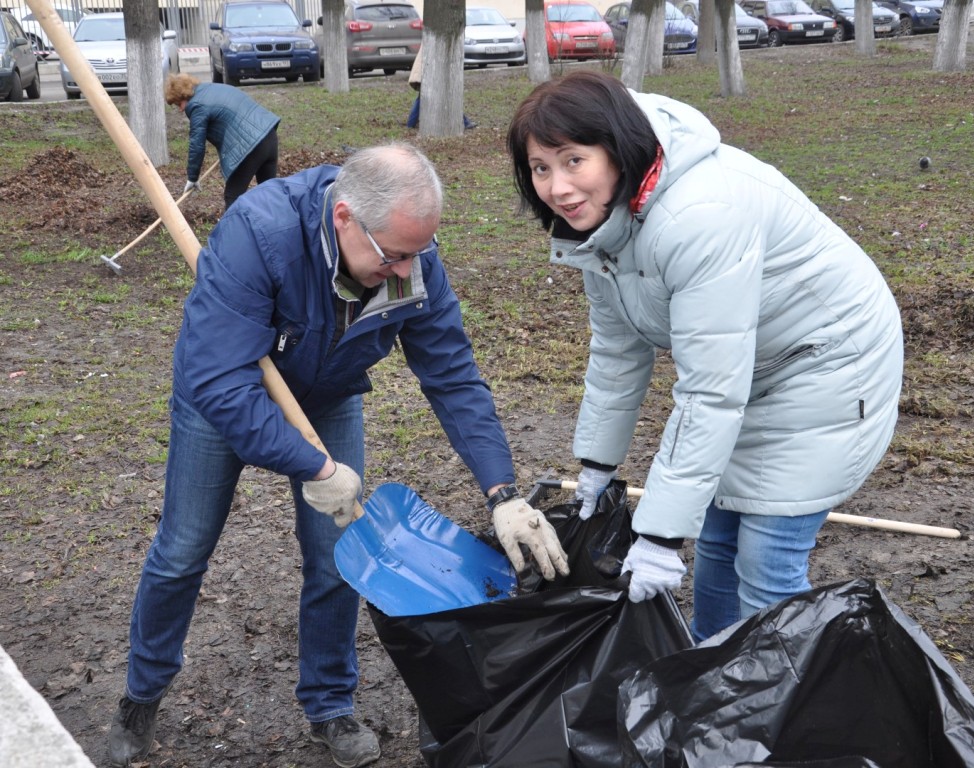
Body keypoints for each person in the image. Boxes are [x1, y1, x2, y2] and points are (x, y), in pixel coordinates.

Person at [107, 142, 569, 768]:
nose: (408, 267)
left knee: (336, 559)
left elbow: (452, 375)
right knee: (183, 550)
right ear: (345, 216)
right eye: (396, 255)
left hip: (326, 395)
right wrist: (315, 467)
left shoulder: (409, 256)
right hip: (224, 391)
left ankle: (329, 702)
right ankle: (141, 697)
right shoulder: (260, 232)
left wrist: (502, 492)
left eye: (419, 253)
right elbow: (221, 382)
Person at [506, 71, 903, 642]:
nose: (556, 186)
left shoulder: (699, 214)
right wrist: (596, 465)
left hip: (829, 366)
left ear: (617, 148)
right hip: (751, 371)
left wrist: (662, 538)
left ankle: (779, 712)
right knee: (717, 539)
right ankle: (713, 684)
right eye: (541, 168)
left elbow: (710, 392)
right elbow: (618, 350)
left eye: (573, 160)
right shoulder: (601, 223)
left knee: (767, 564)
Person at [164, 73, 280, 210]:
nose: (180, 109)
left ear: (184, 96)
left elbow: (197, 145)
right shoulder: (212, 89)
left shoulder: (197, 106)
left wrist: (192, 177)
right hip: (269, 135)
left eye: (179, 103)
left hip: (249, 147)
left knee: (233, 197)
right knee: (268, 195)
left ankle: (233, 231)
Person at [406, 47, 477, 130]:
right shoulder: (435, 39)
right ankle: (464, 121)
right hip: (430, 74)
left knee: (423, 99)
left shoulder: (430, 38)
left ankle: (410, 123)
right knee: (446, 98)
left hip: (427, 73)